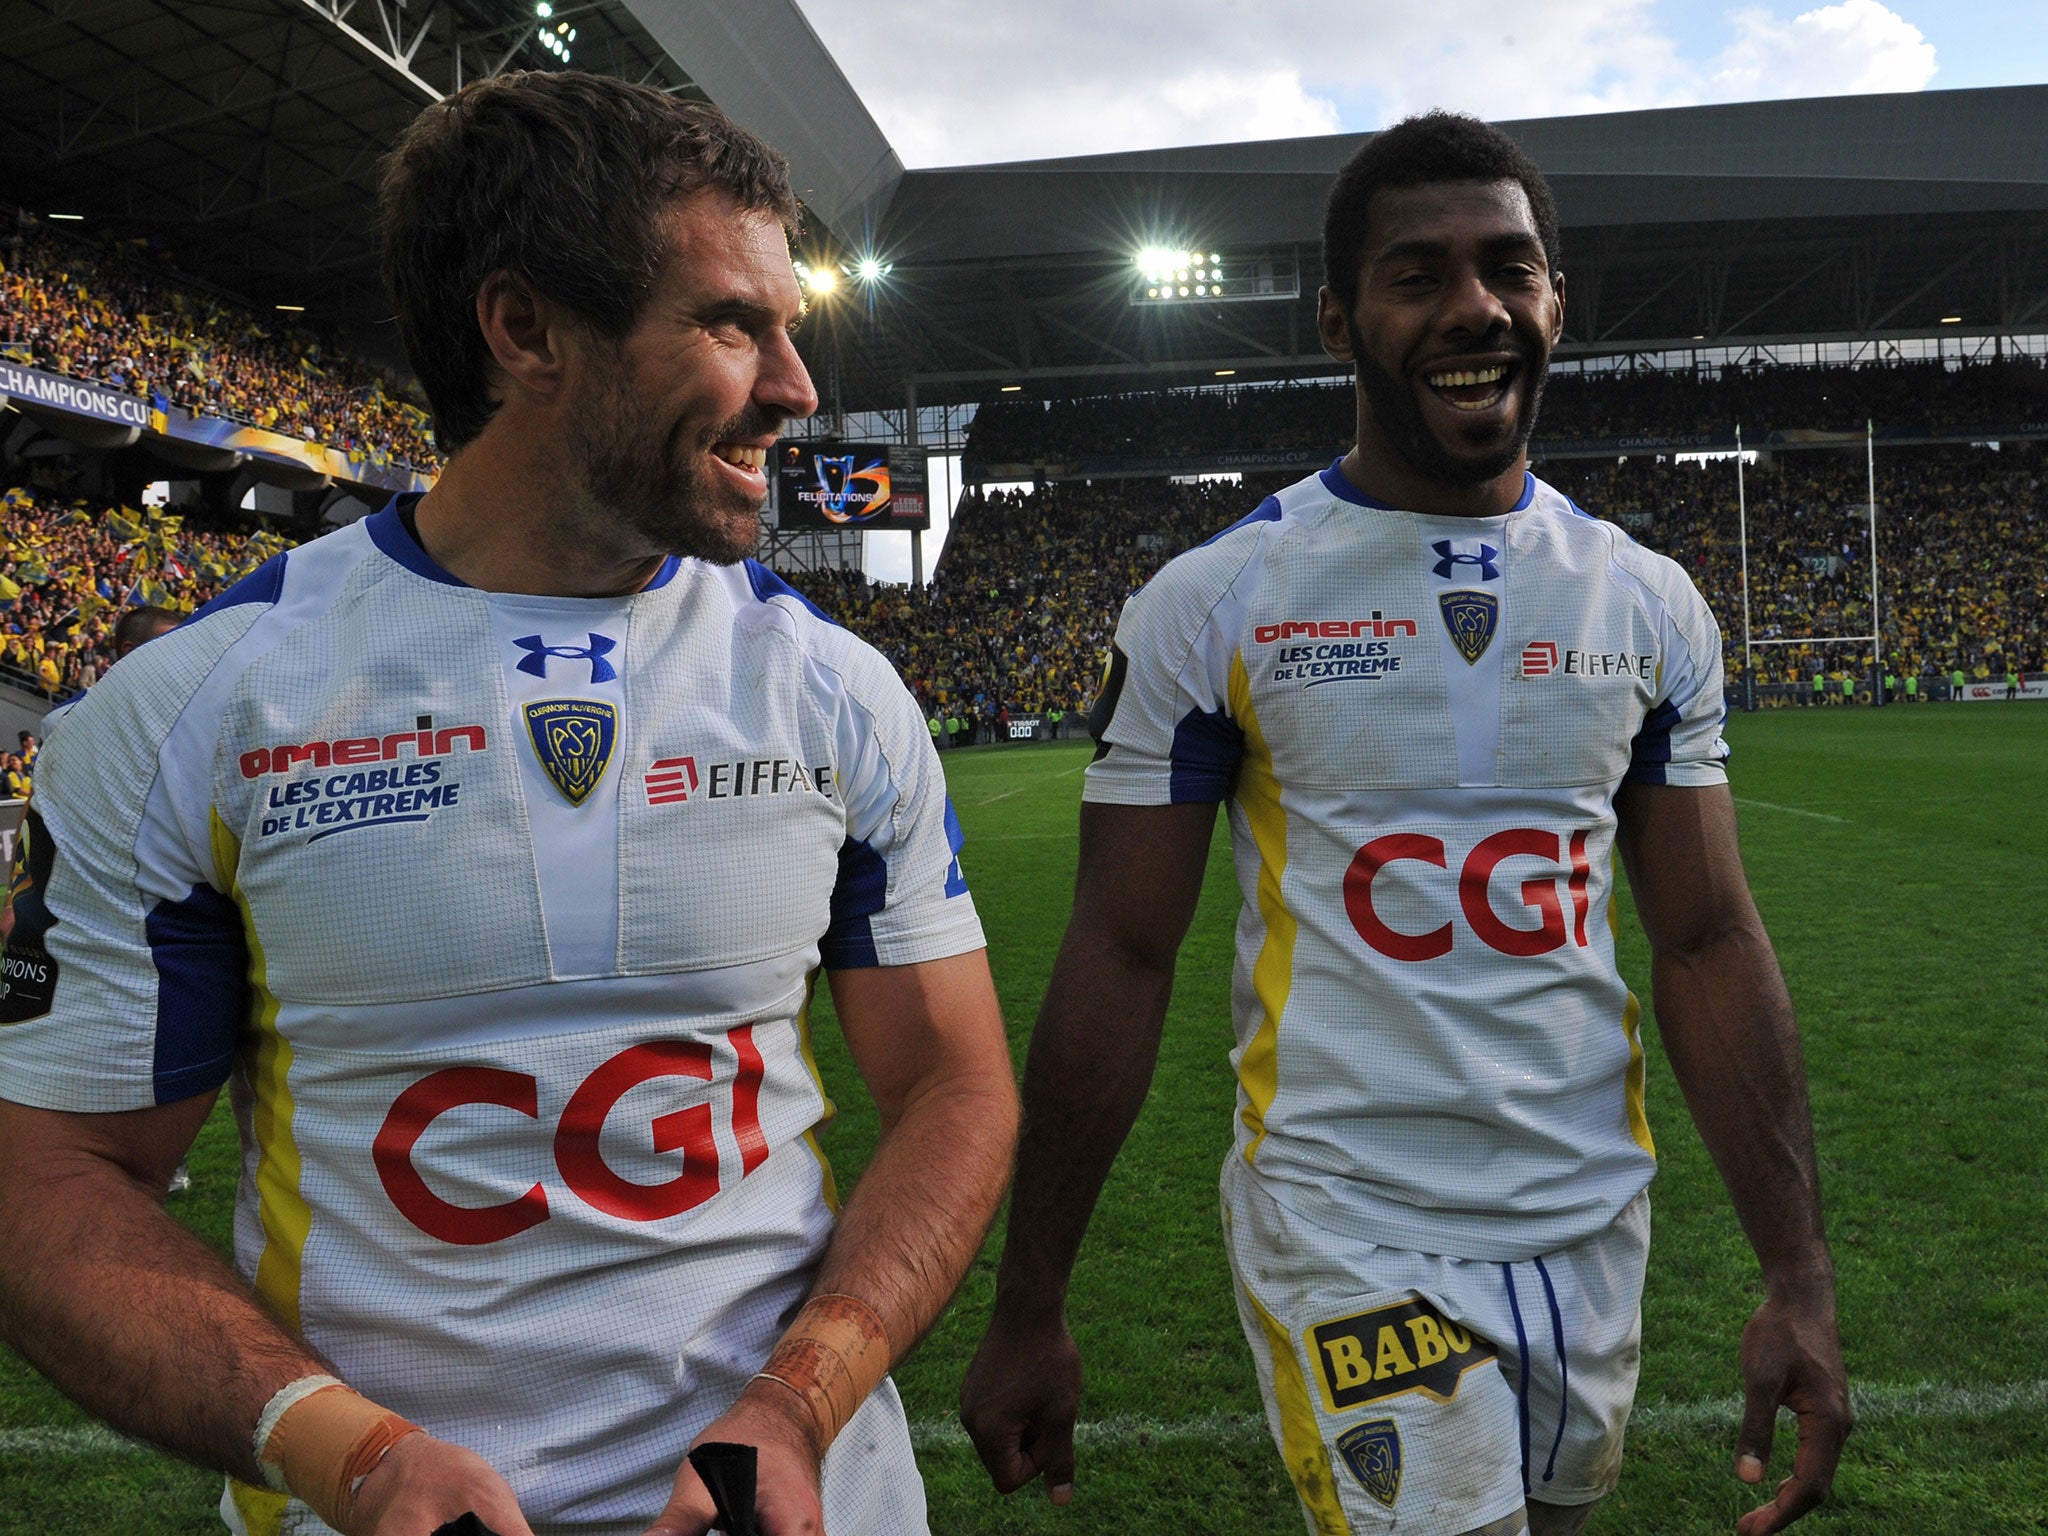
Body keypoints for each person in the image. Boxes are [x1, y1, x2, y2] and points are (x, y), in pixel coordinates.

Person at [0, 71, 1017, 1536]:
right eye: (733, 324)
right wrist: (349, 1454)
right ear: (526, 329)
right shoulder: (196, 712)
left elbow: (954, 1083)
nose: (796, 387)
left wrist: (799, 1403)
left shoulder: (833, 691)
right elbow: (51, 1177)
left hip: (801, 1501)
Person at [960, 111, 1848, 1536]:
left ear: (1557, 300)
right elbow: (1121, 956)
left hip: (1588, 1213)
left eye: (1511, 268)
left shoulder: (1646, 600)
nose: (1474, 307)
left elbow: (1704, 937)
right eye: (1418, 274)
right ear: (1339, 317)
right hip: (1346, 1215)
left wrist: (1798, 1275)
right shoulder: (1217, 601)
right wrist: (1033, 1300)